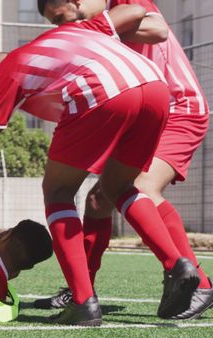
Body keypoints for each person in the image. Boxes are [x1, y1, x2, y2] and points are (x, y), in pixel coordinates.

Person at [0, 6, 200, 326]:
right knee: (118, 187)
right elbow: (141, 12)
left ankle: (84, 302)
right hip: (154, 87)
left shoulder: (4, 72)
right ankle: (176, 263)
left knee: (58, 192)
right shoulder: (75, 32)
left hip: (105, 91)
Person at [35, 0, 212, 321]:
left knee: (141, 186)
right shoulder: (99, 21)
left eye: (60, 17)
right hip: (144, 109)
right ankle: (81, 291)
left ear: (75, 1)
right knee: (98, 200)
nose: (62, 26)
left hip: (177, 107)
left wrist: (93, 29)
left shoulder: (123, 2)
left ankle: (199, 282)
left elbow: (157, 28)